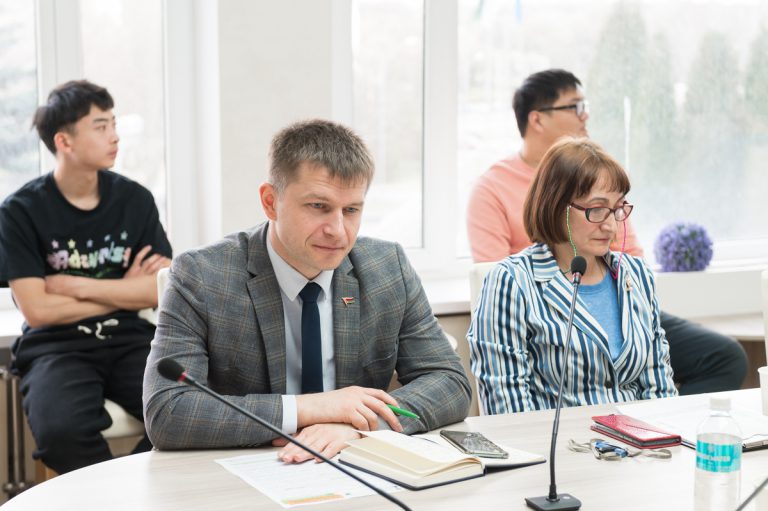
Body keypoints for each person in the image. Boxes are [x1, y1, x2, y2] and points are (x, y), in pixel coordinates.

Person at [143, 119, 470, 463]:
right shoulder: (202, 275)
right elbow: (167, 411)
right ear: (270, 201)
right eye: (318, 207)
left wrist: (359, 426)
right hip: (244, 467)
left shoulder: (387, 268)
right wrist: (313, 408)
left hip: (350, 462)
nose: (338, 230)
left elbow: (449, 382)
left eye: (351, 210)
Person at [466, 69, 746, 395]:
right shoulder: (493, 192)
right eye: (574, 106)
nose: (611, 225)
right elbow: (495, 270)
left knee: (725, 355)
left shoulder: (604, 187)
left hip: (613, 296)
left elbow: (629, 253)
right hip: (548, 304)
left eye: (617, 209)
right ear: (537, 119)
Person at [0, 80, 172, 473]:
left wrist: (78, 286)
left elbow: (158, 291)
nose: (115, 136)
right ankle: (111, 497)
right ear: (64, 141)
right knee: (61, 434)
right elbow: (39, 311)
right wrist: (124, 289)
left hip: (129, 339)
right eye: (100, 126)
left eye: (113, 123)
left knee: (187, 410)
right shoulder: (20, 211)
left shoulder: (135, 200)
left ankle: (137, 491)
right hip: (55, 347)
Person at [468, 137, 677, 413]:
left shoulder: (636, 275)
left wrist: (661, 437)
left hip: (640, 439)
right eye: (597, 209)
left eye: (617, 209)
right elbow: (508, 410)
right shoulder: (511, 282)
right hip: (556, 440)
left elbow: (660, 391)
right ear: (556, 206)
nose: (610, 226)